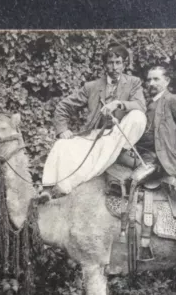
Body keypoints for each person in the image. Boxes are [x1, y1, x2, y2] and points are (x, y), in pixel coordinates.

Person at [39, 43, 147, 201]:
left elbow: (140, 105)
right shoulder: (92, 87)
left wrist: (118, 103)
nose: (114, 67)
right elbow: (64, 106)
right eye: (110, 63)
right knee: (61, 145)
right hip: (96, 136)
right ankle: (48, 189)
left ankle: (119, 152)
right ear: (104, 65)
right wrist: (63, 129)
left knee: (138, 116)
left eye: (118, 62)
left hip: (120, 135)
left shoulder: (133, 83)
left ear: (125, 64)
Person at [116, 65, 176, 185]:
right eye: (149, 80)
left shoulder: (171, 100)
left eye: (156, 79)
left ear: (167, 81)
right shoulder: (149, 102)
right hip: (139, 153)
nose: (151, 83)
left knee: (130, 182)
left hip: (157, 157)